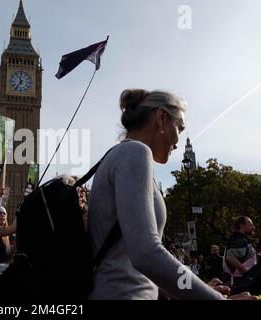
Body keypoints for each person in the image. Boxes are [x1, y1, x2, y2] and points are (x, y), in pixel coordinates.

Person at [88, 89, 257, 300]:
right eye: (180, 127)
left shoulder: (120, 156)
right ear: (161, 118)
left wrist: (200, 288)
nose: (177, 142)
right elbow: (147, 254)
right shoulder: (135, 153)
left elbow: (139, 265)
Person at [223, 216, 257, 286]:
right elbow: (229, 257)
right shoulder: (240, 240)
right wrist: (247, 273)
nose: (254, 227)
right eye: (250, 225)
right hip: (242, 283)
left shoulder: (238, 239)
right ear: (242, 226)